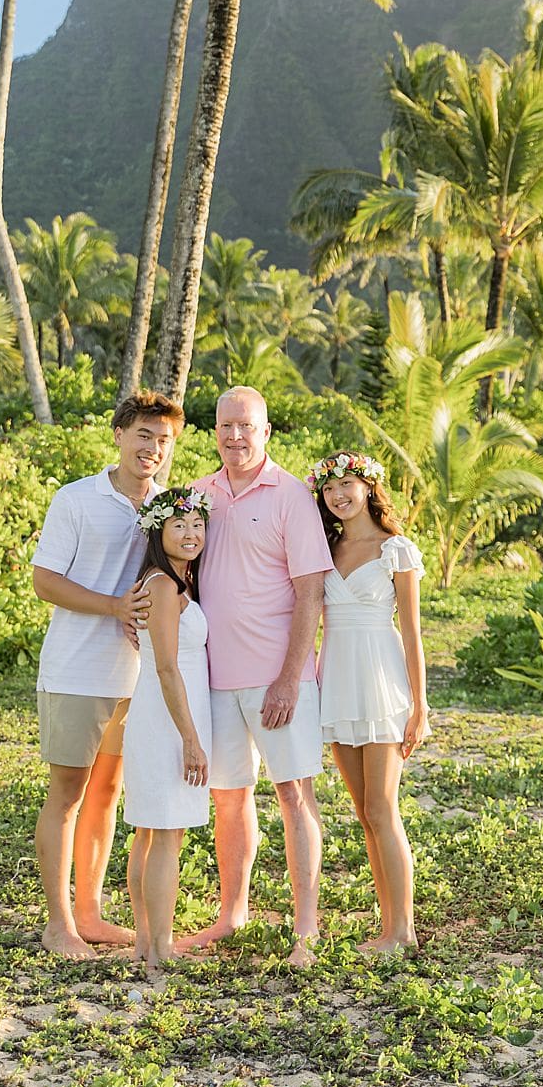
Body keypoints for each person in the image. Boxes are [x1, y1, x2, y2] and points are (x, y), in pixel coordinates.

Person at [30, 389, 185, 959]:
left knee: (107, 796)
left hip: (137, 677)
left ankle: (91, 915)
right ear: (119, 435)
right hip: (77, 671)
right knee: (67, 796)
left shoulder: (170, 506)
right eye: (144, 435)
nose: (153, 448)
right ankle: (59, 925)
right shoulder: (76, 500)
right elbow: (45, 580)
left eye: (164, 440)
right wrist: (115, 606)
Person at [187, 386, 333, 967]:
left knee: (294, 794)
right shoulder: (197, 496)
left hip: (280, 677)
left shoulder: (292, 496)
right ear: (215, 430)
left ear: (266, 431)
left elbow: (310, 592)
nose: (236, 436)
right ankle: (233, 913)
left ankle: (305, 927)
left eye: (247, 426)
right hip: (215, 678)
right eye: (226, 425)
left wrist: (288, 677)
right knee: (229, 797)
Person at [311, 450, 429, 955]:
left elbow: (413, 633)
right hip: (338, 681)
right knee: (363, 811)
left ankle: (402, 932)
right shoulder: (324, 549)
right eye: (330, 488)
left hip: (381, 684)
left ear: (368, 488)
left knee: (383, 808)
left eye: (348, 485)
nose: (339, 495)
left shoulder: (395, 549)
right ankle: (388, 926)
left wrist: (420, 705)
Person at [123, 487, 212, 974]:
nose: (191, 533)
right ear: (159, 531)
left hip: (171, 713)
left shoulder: (179, 582)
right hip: (168, 718)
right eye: (179, 525)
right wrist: (191, 739)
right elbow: (166, 668)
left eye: (197, 524)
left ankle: (144, 940)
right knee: (165, 834)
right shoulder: (160, 584)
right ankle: (160, 944)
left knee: (150, 831)